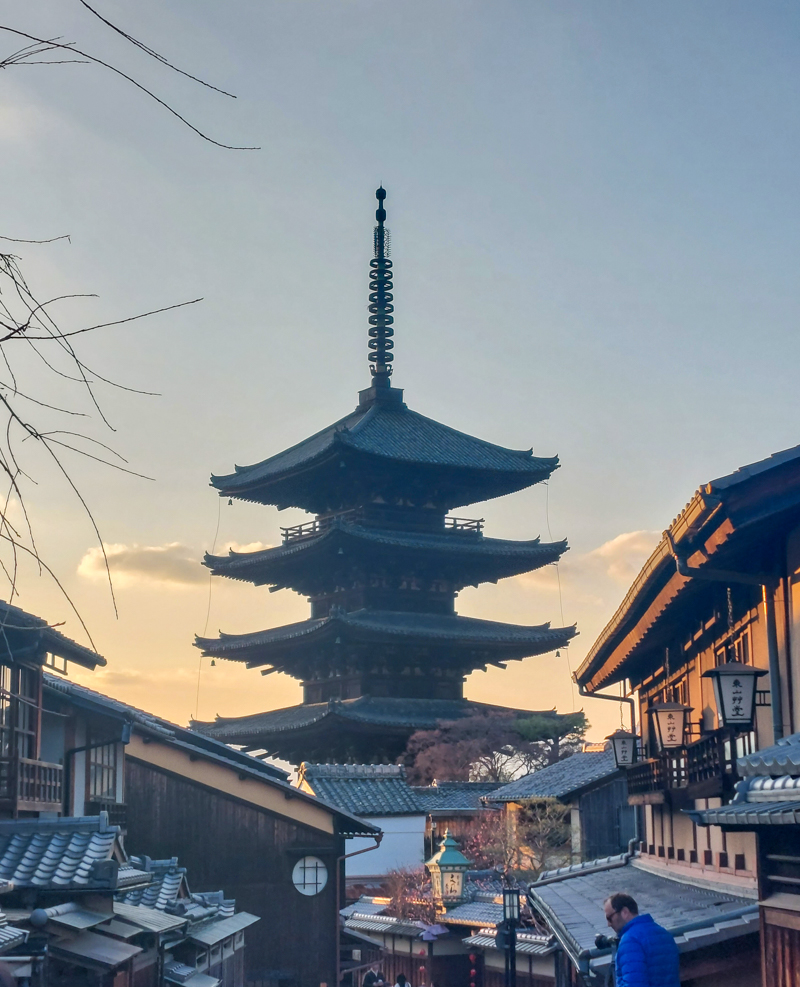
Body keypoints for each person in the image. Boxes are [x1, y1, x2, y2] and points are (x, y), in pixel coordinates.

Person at [602, 893, 679, 987]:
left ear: (625, 912)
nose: (609, 924)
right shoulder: (664, 934)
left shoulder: (630, 941)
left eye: (609, 918)